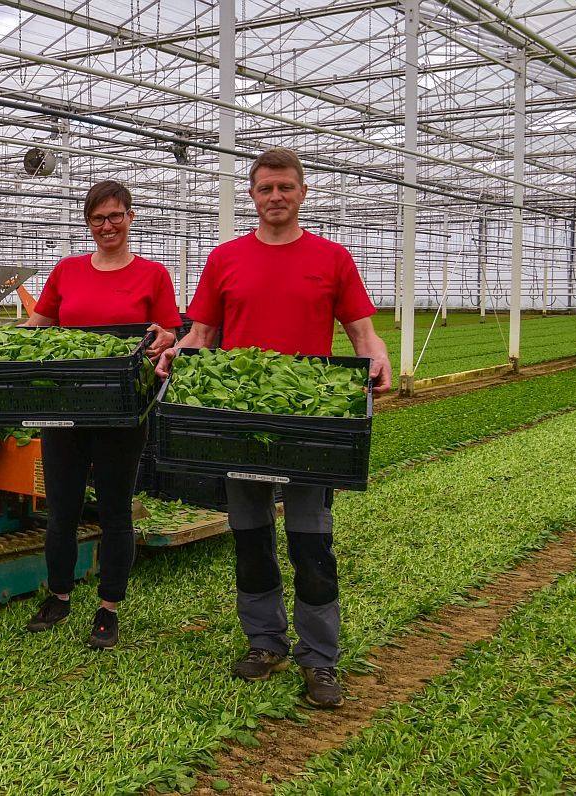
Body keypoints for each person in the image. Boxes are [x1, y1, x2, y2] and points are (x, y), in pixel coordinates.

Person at [155, 148, 391, 708]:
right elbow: (204, 335)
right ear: (253, 196)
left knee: (311, 539)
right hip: (238, 417)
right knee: (251, 534)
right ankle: (265, 642)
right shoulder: (225, 258)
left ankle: (319, 657)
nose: (275, 197)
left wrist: (379, 357)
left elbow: (362, 333)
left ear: (302, 192)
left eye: (285, 187)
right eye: (265, 189)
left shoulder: (332, 258)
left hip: (306, 420)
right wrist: (174, 355)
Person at [21, 179, 181, 649]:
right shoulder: (67, 270)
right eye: (98, 218)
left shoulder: (153, 274)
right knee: (62, 510)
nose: (107, 225)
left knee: (114, 511)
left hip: (121, 408)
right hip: (66, 405)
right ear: (88, 223)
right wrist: (9, 343)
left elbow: (169, 329)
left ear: (130, 217)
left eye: (115, 216)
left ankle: (108, 607)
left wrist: (166, 338)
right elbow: (42, 323)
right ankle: (59, 595)